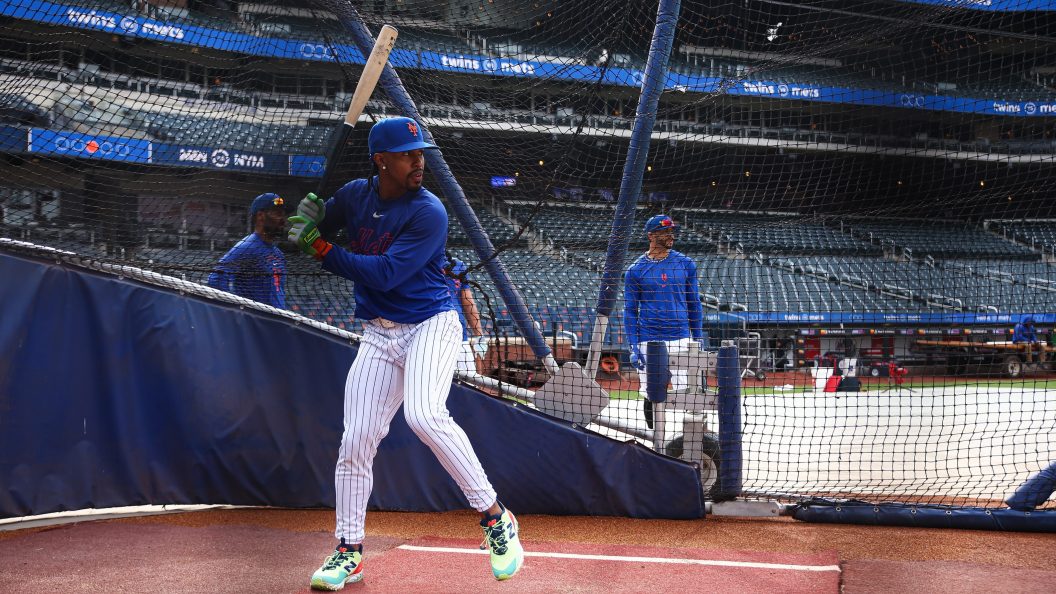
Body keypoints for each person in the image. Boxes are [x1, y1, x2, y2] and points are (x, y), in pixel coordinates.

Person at [287, 116, 524, 590]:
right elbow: (307, 235)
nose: (419, 162)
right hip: (378, 332)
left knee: (424, 415)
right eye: (408, 155)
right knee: (356, 439)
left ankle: (495, 516)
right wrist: (307, 218)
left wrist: (320, 247)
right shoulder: (354, 196)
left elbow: (385, 273)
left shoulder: (429, 211)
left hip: (430, 323)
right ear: (381, 161)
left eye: (420, 154)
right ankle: (349, 550)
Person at [623, 214, 704, 430]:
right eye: (665, 232)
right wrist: (633, 346)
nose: (671, 236)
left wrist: (698, 338)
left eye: (671, 231)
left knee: (690, 392)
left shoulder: (685, 263)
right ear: (651, 236)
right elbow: (630, 311)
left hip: (681, 338)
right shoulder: (635, 270)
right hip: (648, 340)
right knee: (650, 392)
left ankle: (692, 436)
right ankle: (654, 438)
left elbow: (694, 303)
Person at [206, 192, 287, 309]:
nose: (283, 220)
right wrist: (238, 312)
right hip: (256, 318)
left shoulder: (279, 254)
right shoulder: (247, 246)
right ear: (260, 216)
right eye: (278, 214)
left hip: (278, 318)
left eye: (283, 214)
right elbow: (216, 279)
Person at [444, 252, 489, 374]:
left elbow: (468, 302)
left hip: (459, 335)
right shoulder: (420, 261)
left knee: (469, 381)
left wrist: (479, 336)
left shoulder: (457, 265)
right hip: (426, 334)